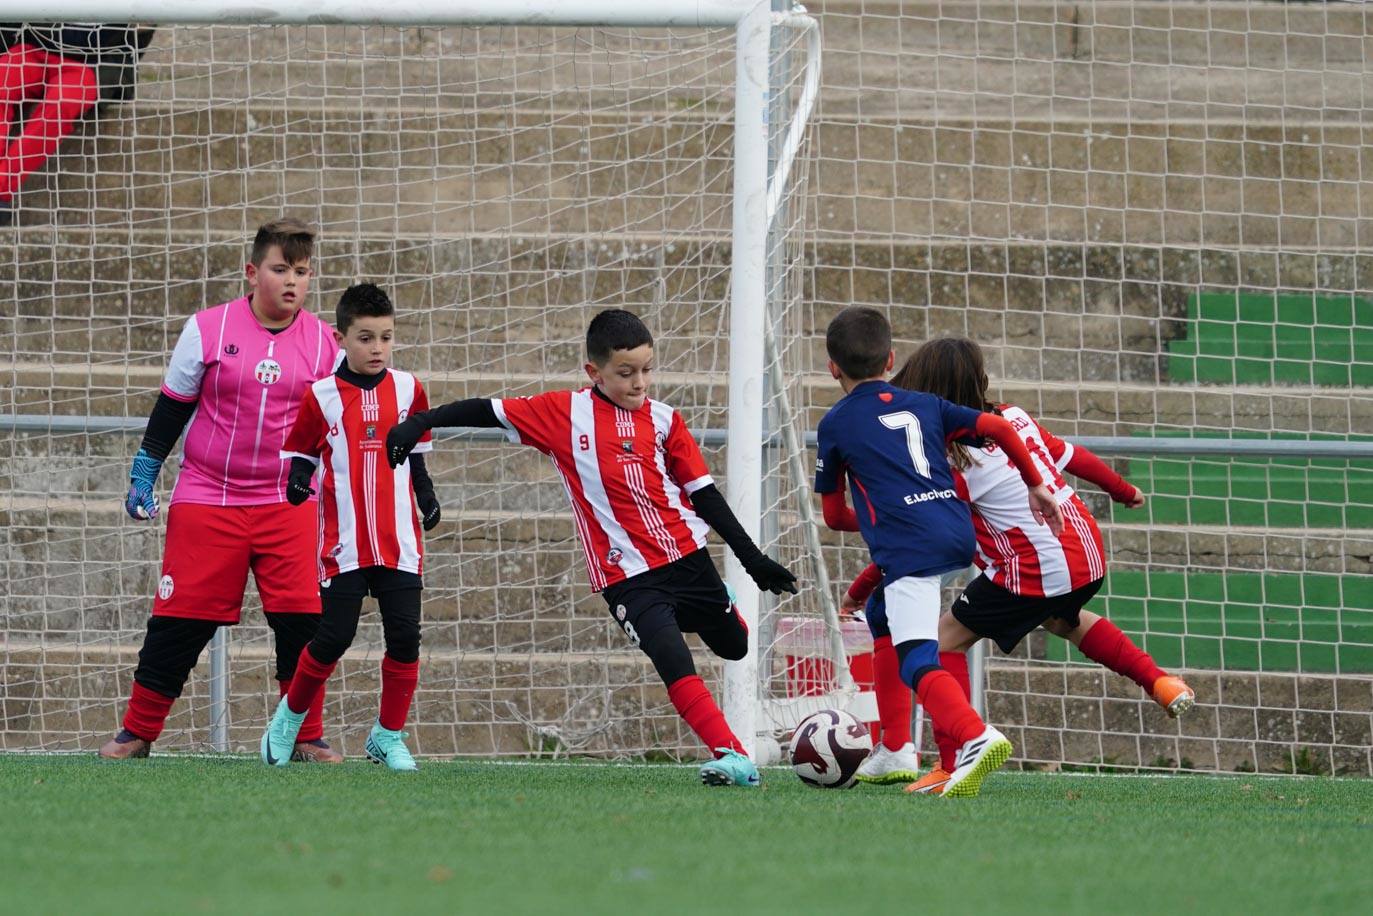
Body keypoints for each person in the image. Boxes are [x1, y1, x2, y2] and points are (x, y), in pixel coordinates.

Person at [384, 308, 798, 787]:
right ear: (594, 372)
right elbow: (486, 410)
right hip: (626, 579)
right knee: (672, 659)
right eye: (625, 373)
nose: (639, 382)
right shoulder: (564, 414)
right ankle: (733, 756)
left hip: (686, 557)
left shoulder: (665, 421)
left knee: (734, 646)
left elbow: (704, 496)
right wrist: (418, 424)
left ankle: (718, 601)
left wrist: (753, 560)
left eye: (646, 369)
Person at [844, 336, 1196, 795]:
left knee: (942, 640)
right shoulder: (1013, 418)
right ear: (980, 380)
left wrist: (864, 584)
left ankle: (953, 763)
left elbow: (917, 536)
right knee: (1062, 620)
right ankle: (1158, 680)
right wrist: (1123, 491)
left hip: (1033, 566)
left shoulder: (949, 458)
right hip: (1085, 550)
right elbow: (1074, 456)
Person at [99, 218, 343, 763]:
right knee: (180, 619)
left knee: (303, 621)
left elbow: (338, 427)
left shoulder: (328, 345)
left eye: (302, 273)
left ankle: (305, 736)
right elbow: (172, 408)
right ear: (252, 272)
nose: (292, 282)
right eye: (281, 269)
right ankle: (136, 733)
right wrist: (145, 468)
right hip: (209, 494)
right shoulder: (207, 328)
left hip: (290, 501)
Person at [814, 306, 1064, 798]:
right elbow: (998, 428)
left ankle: (975, 736)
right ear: (890, 358)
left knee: (915, 659)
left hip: (912, 550)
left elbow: (833, 515)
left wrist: (877, 515)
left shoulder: (836, 424)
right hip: (956, 535)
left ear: (832, 368)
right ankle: (896, 749)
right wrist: (1036, 484)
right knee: (882, 611)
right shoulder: (925, 403)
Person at [262, 283, 441, 771]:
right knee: (333, 637)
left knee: (405, 637)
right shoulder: (320, 396)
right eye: (365, 337)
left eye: (385, 337)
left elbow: (418, 458)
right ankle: (288, 721)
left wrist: (426, 498)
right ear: (341, 338)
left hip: (400, 542)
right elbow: (300, 454)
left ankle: (387, 736)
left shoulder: (409, 389)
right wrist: (299, 481)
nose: (377, 348)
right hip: (343, 544)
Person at [0, 23, 155, 222]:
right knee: (3, 78)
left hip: (95, 62)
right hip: (35, 49)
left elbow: (143, 23)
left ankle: (3, 187)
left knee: (62, 103)